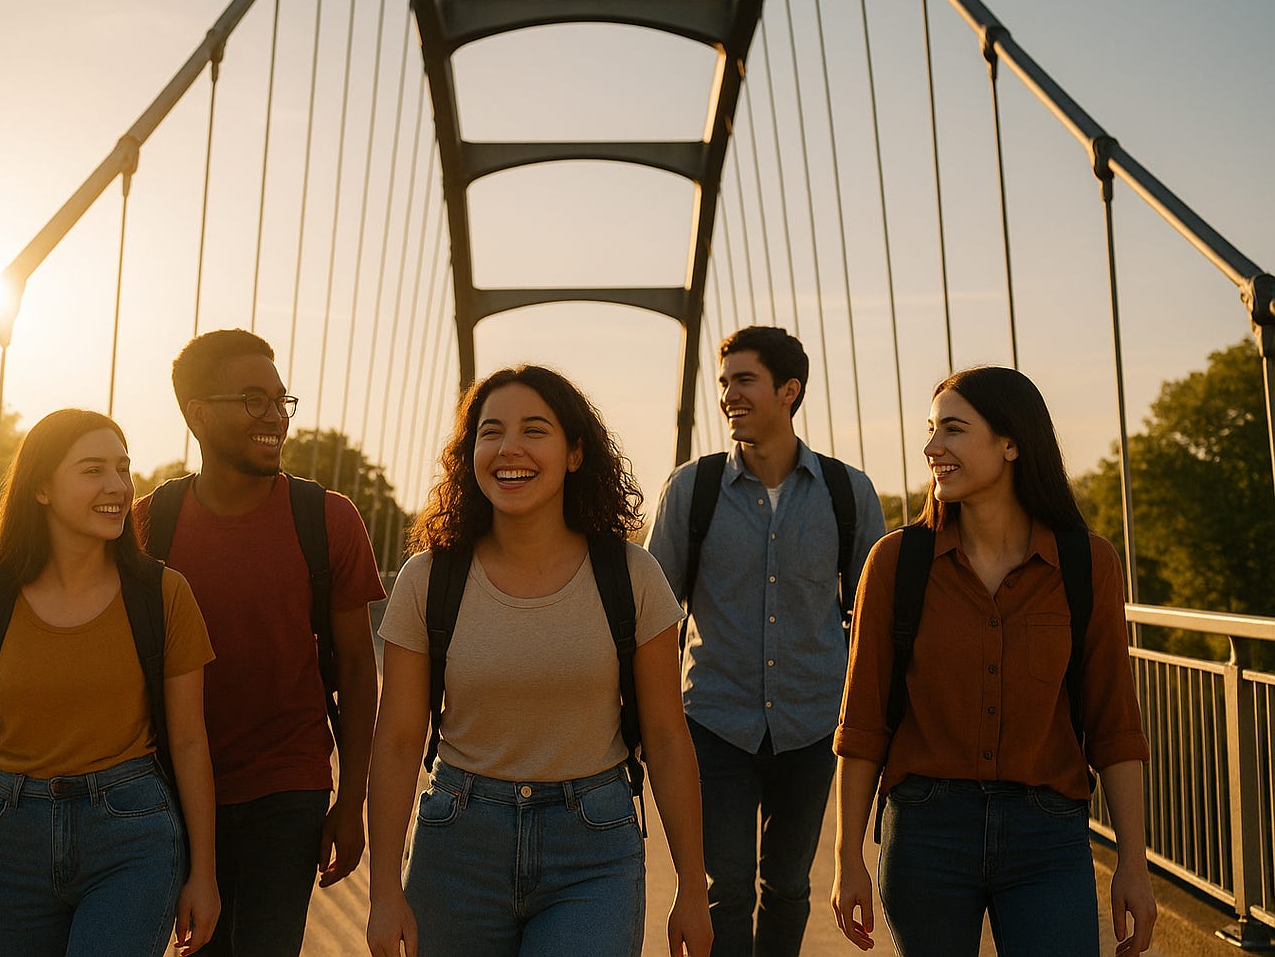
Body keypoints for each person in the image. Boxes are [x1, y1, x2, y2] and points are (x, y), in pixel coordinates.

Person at [366, 364, 712, 957]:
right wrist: (382, 894)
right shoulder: (429, 579)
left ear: (576, 453)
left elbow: (666, 736)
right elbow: (398, 741)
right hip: (457, 846)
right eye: (490, 431)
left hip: (593, 850)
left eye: (534, 430)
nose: (509, 449)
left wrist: (692, 889)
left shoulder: (631, 577)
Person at [831, 366, 1157, 956]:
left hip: (1049, 834)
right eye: (931, 431)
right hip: (926, 831)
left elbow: (1115, 726)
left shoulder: (1088, 566)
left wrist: (1134, 863)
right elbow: (862, 728)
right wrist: (847, 857)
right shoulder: (895, 565)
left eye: (952, 430)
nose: (933, 449)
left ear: (1011, 443)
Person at [0, 409, 218, 957]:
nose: (117, 486)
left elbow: (189, 741)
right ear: (41, 487)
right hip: (9, 840)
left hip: (132, 836)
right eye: (93, 470)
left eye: (123, 468)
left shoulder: (162, 596)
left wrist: (204, 874)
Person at [133, 328, 386, 956]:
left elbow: (357, 669)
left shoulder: (328, 520)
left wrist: (351, 799)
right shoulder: (145, 528)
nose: (275, 416)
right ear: (196, 413)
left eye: (281, 400)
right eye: (252, 399)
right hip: (168, 791)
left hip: (288, 787)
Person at [646, 325, 885, 955]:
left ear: (789, 390)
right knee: (724, 888)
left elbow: (874, 621)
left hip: (812, 726)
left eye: (743, 381)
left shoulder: (847, 493)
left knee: (788, 886)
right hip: (713, 723)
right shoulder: (690, 491)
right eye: (723, 383)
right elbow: (650, 616)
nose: (728, 396)